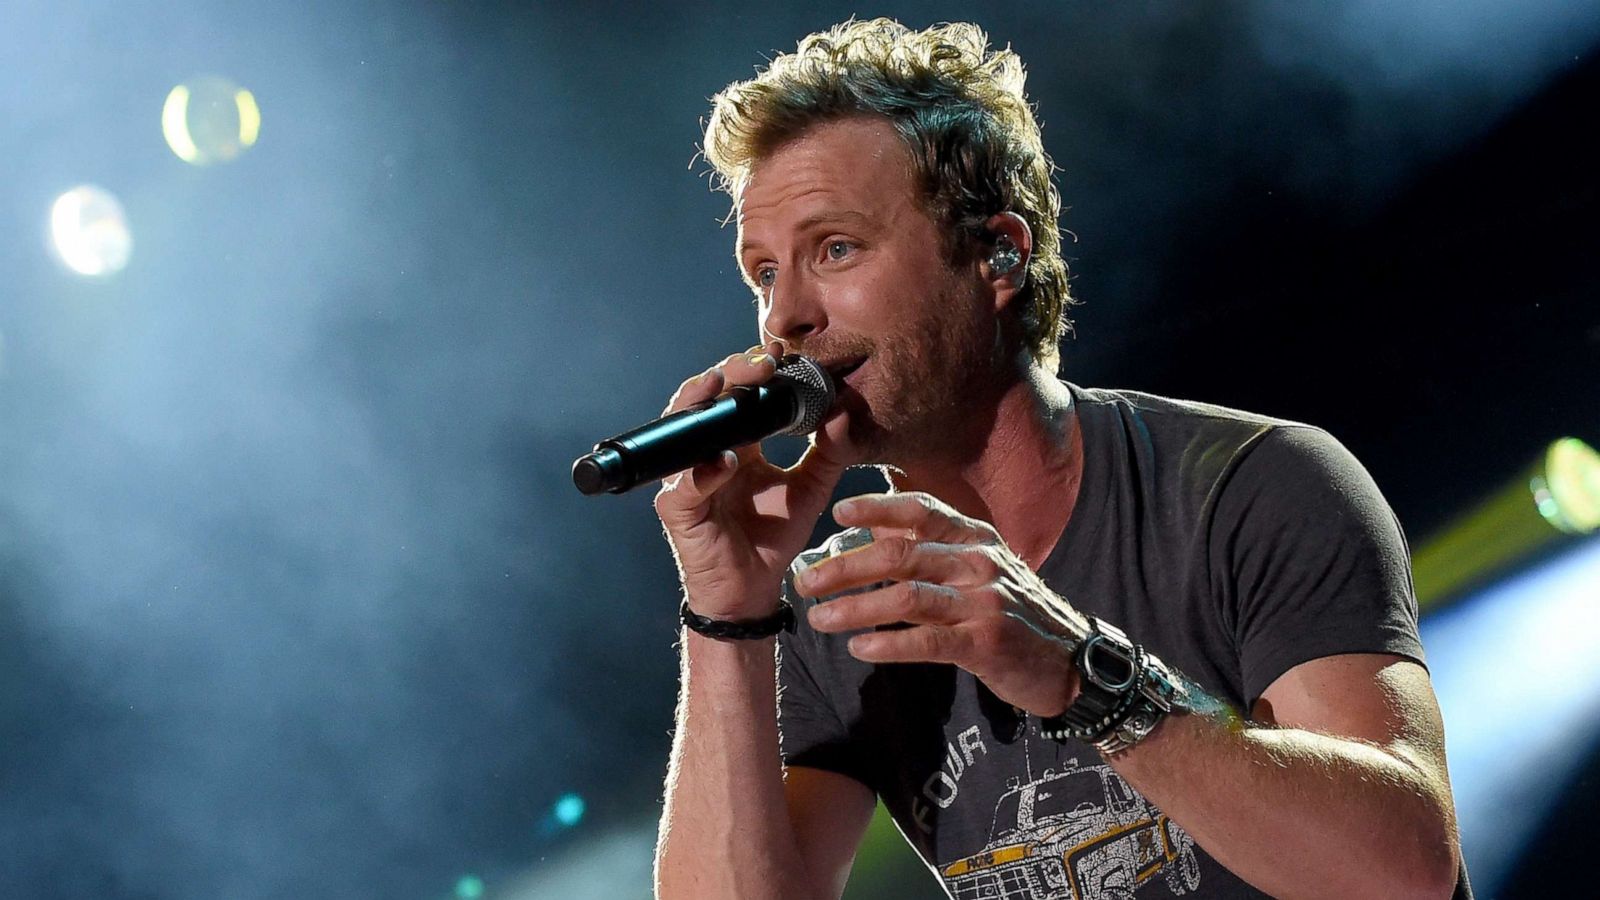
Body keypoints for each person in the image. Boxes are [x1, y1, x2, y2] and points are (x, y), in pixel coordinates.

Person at [650, 18, 1468, 900]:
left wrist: (1082, 676)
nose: (785, 319)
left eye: (835, 249)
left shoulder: (1253, 485)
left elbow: (1402, 876)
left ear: (997, 253)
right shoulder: (834, 615)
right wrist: (727, 615)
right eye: (764, 273)